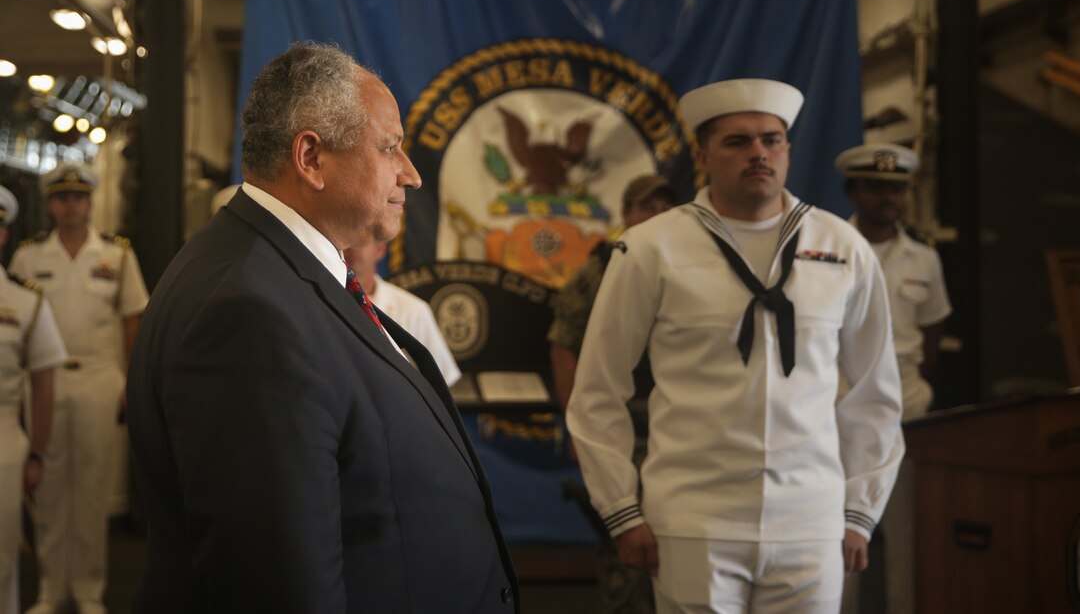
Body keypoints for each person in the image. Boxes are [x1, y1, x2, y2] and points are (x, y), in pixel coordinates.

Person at [127, 42, 519, 613]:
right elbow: (278, 583)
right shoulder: (249, 309)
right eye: (389, 148)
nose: (409, 174)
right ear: (310, 158)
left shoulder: (281, 273)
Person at [566, 78, 904, 613]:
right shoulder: (653, 248)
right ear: (702, 155)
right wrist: (622, 509)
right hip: (694, 518)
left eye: (771, 140)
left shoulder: (842, 248)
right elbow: (597, 388)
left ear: (788, 149)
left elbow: (875, 392)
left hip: (810, 519)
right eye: (737, 142)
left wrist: (860, 509)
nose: (758, 154)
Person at [10, 164, 149, 614]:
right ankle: (51, 588)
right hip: (43, 383)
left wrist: (129, 383)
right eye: (62, 197)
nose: (71, 205)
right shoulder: (29, 257)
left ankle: (89, 590)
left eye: (79, 197)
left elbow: (133, 322)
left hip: (97, 378)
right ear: (50, 203)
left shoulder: (117, 256)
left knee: (91, 488)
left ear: (90, 202)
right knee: (46, 487)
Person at [549, 173, 675, 614]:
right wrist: (578, 427)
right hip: (625, 430)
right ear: (626, 214)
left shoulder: (693, 261)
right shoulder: (601, 268)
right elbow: (565, 346)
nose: (657, 215)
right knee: (628, 561)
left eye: (665, 206)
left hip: (680, 432)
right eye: (647, 207)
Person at [835, 143, 951, 614]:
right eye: (879, 187)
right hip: (838, 419)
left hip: (909, 413)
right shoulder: (827, 249)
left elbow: (932, 333)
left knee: (909, 542)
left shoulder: (924, 259)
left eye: (897, 189)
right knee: (837, 541)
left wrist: (900, 391)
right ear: (854, 190)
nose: (890, 198)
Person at [0, 185, 66, 614]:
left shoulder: (23, 300)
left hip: (3, 444)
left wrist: (37, 454)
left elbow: (44, 382)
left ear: (3, 235)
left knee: (2, 559)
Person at [343, 239, 463, 386]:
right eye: (348, 239)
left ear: (380, 249)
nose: (352, 248)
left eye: (362, 240)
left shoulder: (413, 309)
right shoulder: (318, 300)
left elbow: (440, 379)